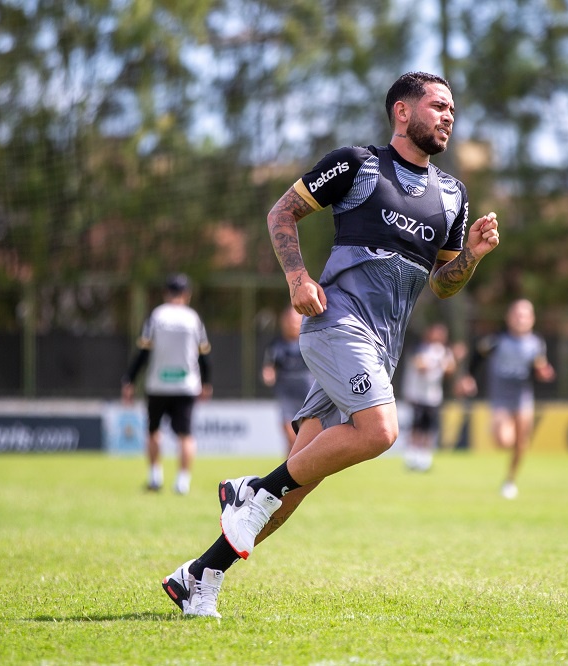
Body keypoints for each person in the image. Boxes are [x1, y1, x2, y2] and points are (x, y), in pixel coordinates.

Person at [161, 71, 501, 618]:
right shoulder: (356, 165)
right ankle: (253, 490)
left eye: (452, 110)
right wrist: (297, 278)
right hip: (336, 324)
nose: (448, 117)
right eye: (438, 106)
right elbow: (281, 212)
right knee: (381, 431)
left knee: (296, 485)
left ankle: (199, 576)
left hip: (382, 347)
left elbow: (442, 284)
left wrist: (474, 256)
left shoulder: (453, 195)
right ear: (402, 111)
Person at [122, 273, 212, 495]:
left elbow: (143, 353)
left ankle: (155, 477)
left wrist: (129, 380)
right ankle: (182, 482)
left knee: (153, 431)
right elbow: (203, 355)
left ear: (165, 293)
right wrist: (207, 382)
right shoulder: (193, 318)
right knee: (186, 435)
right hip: (186, 385)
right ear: (187, 294)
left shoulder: (156, 316)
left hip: (158, 385)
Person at [462, 299, 554, 500]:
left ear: (532, 319)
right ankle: (497, 427)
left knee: (521, 444)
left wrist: (544, 372)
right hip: (501, 399)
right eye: (517, 315)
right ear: (509, 318)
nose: (521, 319)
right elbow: (477, 356)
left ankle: (510, 481)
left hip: (523, 398)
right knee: (504, 441)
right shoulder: (497, 340)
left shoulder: (536, 343)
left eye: (525, 315)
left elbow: (539, 365)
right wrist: (469, 377)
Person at [401, 322, 459, 471]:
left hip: (433, 396)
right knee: (416, 426)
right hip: (417, 394)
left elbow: (450, 370)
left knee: (429, 428)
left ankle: (424, 457)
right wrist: (438, 363)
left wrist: (453, 359)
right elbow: (420, 366)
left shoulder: (445, 351)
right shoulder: (420, 348)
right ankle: (412, 455)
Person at [262, 306, 314, 455]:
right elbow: (269, 367)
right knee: (291, 437)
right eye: (289, 320)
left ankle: (300, 466)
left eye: (295, 321)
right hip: (286, 395)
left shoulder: (309, 342)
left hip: (307, 394)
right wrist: (268, 374)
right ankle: (290, 467)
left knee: (307, 440)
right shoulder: (276, 345)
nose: (292, 324)